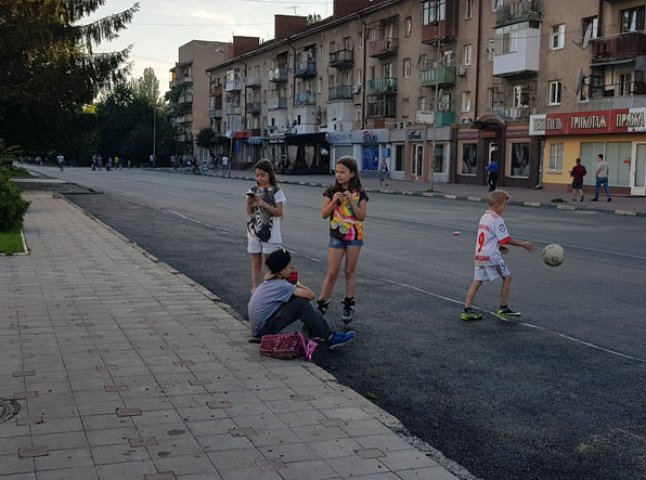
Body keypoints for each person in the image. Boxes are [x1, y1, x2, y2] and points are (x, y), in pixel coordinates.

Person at [248, 249, 355, 349]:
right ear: (281, 271)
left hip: (259, 328)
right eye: (290, 267)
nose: (293, 269)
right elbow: (310, 295)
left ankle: (314, 328)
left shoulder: (270, 282)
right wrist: (296, 284)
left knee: (296, 300)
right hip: (262, 331)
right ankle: (330, 337)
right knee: (301, 304)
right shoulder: (282, 286)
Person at [461, 190, 536, 321]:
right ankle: (504, 308)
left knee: (477, 281)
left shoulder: (484, 217)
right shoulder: (497, 219)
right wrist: (523, 244)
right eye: (504, 206)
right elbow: (506, 238)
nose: (504, 209)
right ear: (496, 205)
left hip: (480, 255)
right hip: (492, 257)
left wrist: (500, 246)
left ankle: (467, 310)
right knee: (507, 277)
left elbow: (488, 237)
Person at [317, 156, 369, 327]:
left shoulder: (360, 193)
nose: (339, 175)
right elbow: (324, 214)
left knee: (350, 272)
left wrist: (352, 202)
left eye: (343, 172)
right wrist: (334, 202)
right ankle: (322, 305)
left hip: (354, 237)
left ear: (352, 173)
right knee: (332, 272)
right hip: (336, 237)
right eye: (337, 171)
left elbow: (362, 216)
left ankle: (348, 304)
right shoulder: (331, 191)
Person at [246, 159, 286, 292]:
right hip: (254, 232)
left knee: (271, 263)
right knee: (256, 263)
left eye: (262, 175)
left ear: (270, 174)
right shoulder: (253, 190)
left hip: (270, 233)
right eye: (257, 175)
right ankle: (255, 289)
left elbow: (279, 212)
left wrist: (264, 204)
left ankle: (270, 290)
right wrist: (249, 202)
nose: (259, 178)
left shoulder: (276, 191)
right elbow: (249, 213)